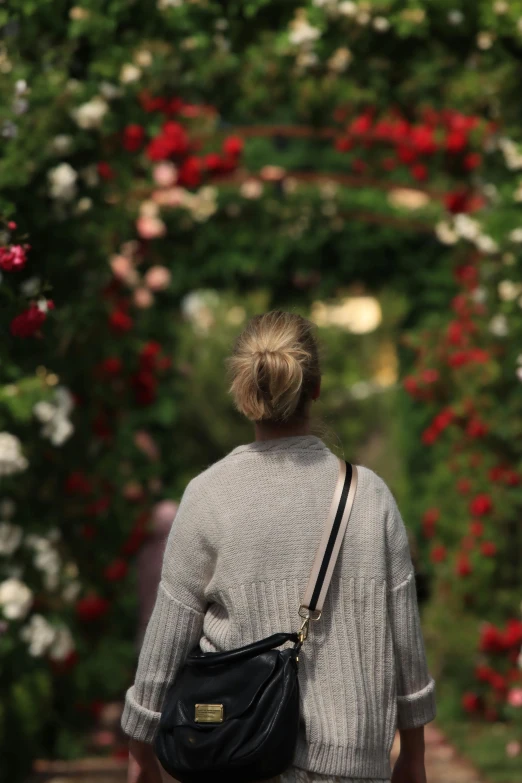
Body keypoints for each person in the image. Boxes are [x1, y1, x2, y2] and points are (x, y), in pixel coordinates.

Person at [122, 310, 436, 783]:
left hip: (236, 753)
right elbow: (405, 645)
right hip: (353, 764)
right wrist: (413, 754)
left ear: (242, 391)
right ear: (315, 387)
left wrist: (141, 750)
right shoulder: (370, 496)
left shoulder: (208, 496)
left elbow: (165, 642)